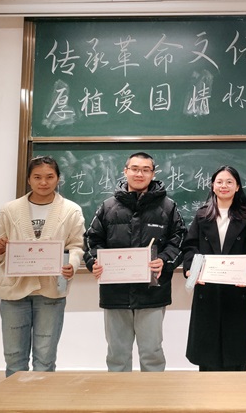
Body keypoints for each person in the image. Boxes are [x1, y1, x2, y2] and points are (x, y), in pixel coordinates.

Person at [83, 152, 186, 372]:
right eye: (135, 169)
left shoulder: (168, 207)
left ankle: (151, 395)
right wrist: (95, 262)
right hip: (115, 292)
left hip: (152, 292)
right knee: (117, 354)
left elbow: (179, 240)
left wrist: (164, 260)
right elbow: (91, 240)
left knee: (152, 353)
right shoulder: (108, 206)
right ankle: (120, 395)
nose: (140, 174)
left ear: (153, 173)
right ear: (125, 171)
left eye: (146, 170)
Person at [0, 156, 85, 377]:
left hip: (51, 291)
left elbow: (76, 245)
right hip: (14, 291)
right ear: (29, 179)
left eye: (49, 177)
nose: (43, 182)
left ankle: (42, 398)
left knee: (45, 358)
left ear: (58, 179)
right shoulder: (10, 210)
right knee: (14, 357)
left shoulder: (71, 210)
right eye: (37, 177)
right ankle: (16, 399)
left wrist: (72, 263)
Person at [181, 166, 246, 371]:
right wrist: (191, 270)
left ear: (237, 187)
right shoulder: (202, 216)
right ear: (212, 186)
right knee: (208, 359)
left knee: (236, 357)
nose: (223, 186)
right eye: (219, 182)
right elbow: (190, 247)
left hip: (237, 292)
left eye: (229, 182)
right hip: (208, 291)